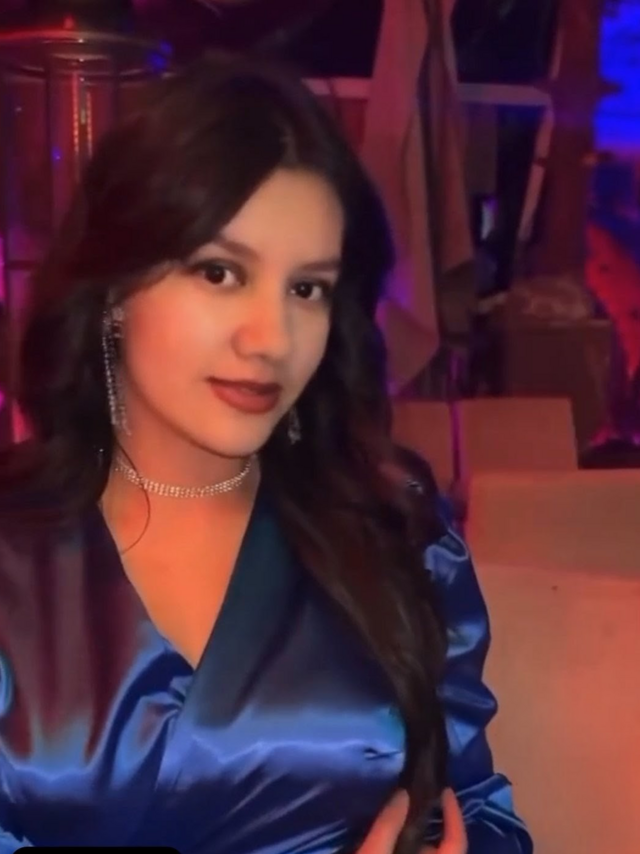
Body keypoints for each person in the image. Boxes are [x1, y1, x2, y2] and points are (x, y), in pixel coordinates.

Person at [0, 52, 532, 854]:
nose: (271, 339)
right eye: (220, 273)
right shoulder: (14, 544)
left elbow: (476, 806)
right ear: (112, 288)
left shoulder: (393, 529)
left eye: (307, 289)